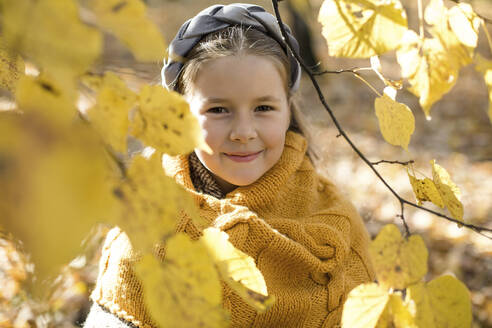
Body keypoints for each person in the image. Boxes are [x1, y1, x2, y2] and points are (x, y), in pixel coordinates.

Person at [84, 3, 375, 328]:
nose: (243, 133)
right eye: (219, 110)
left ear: (288, 112)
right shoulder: (146, 228)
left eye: (263, 107)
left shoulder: (336, 222)